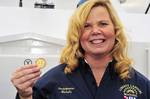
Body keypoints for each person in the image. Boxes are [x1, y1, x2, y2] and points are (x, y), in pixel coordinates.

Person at [11, 0, 150, 99]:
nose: (95, 31)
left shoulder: (142, 86)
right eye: (86, 26)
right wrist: (25, 96)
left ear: (115, 31)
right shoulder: (51, 82)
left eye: (103, 23)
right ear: (77, 35)